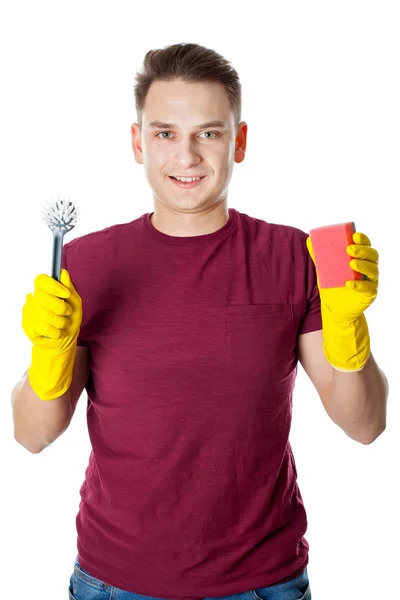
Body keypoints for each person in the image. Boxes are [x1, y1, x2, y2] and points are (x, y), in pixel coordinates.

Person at [12, 42, 388, 600]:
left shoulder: (294, 257)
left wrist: (350, 334)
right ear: (138, 142)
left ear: (238, 141)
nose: (186, 156)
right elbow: (32, 435)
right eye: (165, 133)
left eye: (208, 133)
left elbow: (364, 426)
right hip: (115, 582)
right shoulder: (84, 263)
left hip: (263, 582)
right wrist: (47, 358)